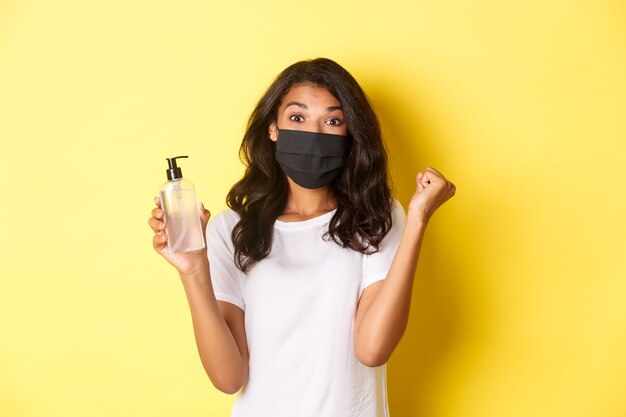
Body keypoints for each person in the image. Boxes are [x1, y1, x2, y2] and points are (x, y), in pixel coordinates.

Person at [147, 57, 456, 417]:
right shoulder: (232, 229)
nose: (314, 133)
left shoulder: (377, 218)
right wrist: (192, 268)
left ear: (350, 134)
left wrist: (418, 219)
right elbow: (229, 377)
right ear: (273, 129)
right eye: (297, 118)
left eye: (332, 121)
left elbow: (373, 349)